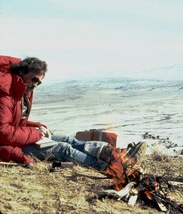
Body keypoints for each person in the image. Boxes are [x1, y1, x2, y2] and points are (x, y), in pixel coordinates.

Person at [0, 56, 145, 178]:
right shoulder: (5, 93)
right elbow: (3, 132)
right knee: (63, 149)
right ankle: (110, 167)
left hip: (18, 140)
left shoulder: (22, 89)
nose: (36, 85)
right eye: (34, 79)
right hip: (10, 147)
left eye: (39, 82)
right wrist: (36, 133)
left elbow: (16, 122)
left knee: (68, 139)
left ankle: (114, 154)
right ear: (22, 72)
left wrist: (37, 126)